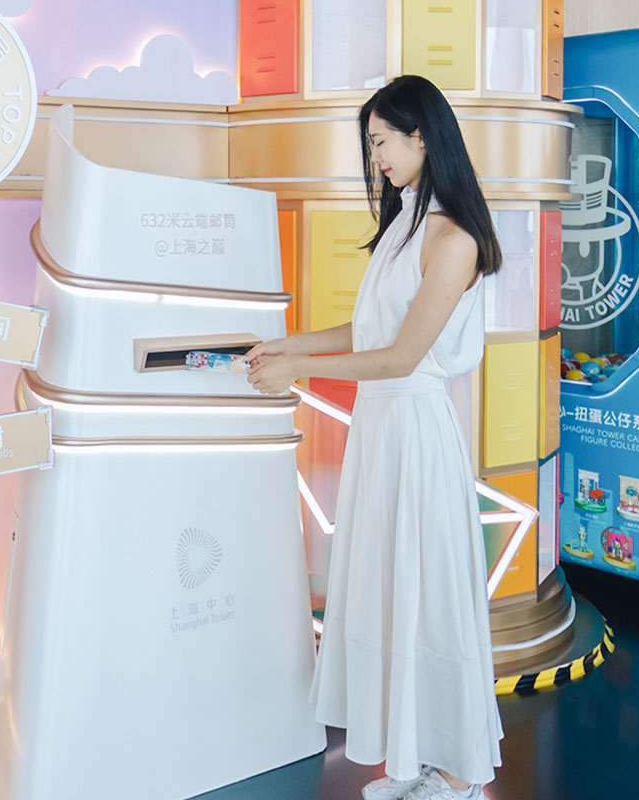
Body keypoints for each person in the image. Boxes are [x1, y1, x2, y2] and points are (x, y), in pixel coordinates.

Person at [246, 75, 505, 800]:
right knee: (395, 596)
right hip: (382, 428)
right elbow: (370, 330)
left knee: (430, 598)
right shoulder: (406, 223)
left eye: (382, 141)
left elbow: (401, 357)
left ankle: (458, 774)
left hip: (414, 432)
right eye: (372, 145)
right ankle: (415, 760)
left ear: (422, 135)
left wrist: (298, 368)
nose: (377, 157)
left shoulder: (453, 237)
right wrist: (289, 343)